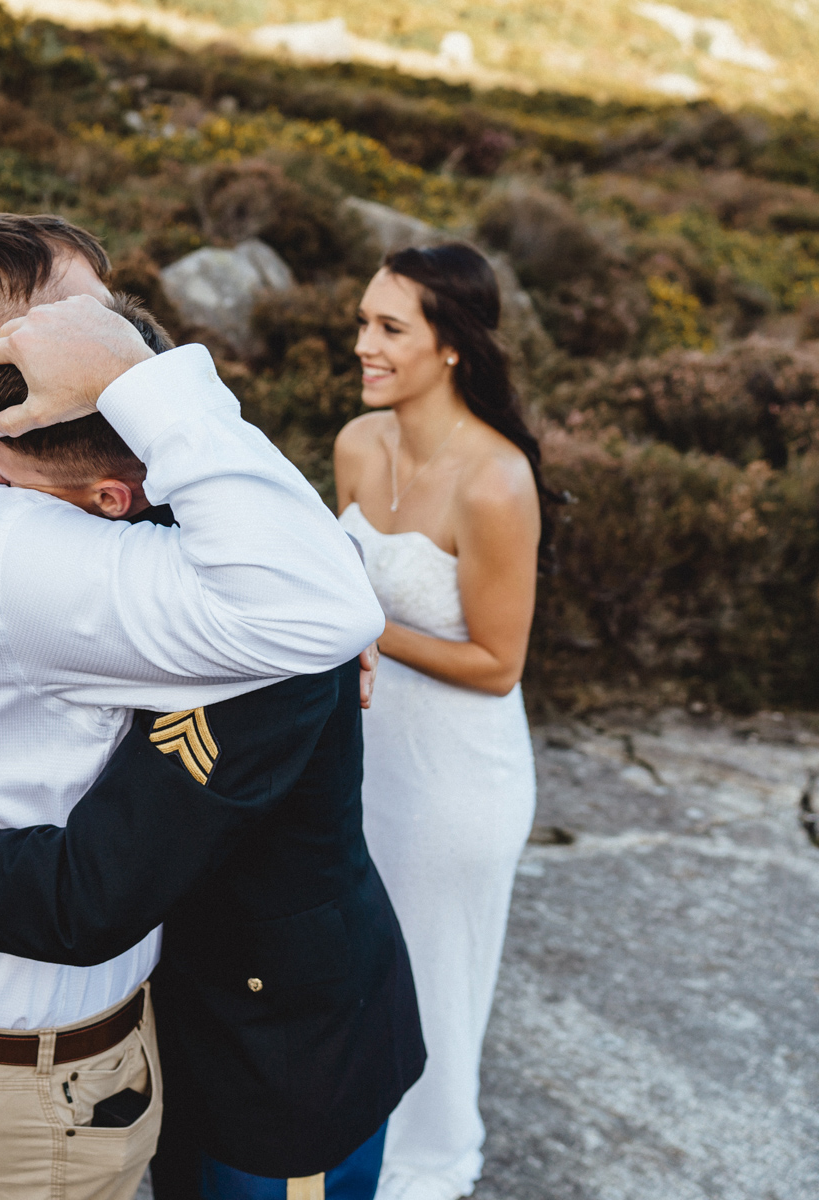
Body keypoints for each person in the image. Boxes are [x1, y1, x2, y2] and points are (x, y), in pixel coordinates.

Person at [0, 213, 384, 1200]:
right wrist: (153, 384)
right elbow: (316, 611)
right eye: (99, 325)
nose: (126, 342)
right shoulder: (9, 551)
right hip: (34, 1085)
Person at [333, 243, 549, 1200]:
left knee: (432, 988)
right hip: (360, 754)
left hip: (458, 778)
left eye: (389, 328)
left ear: (450, 345)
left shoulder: (496, 482)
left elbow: (498, 664)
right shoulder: (355, 443)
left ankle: (423, 1171)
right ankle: (348, 1150)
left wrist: (360, 624)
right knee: (352, 968)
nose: (362, 344)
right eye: (363, 322)